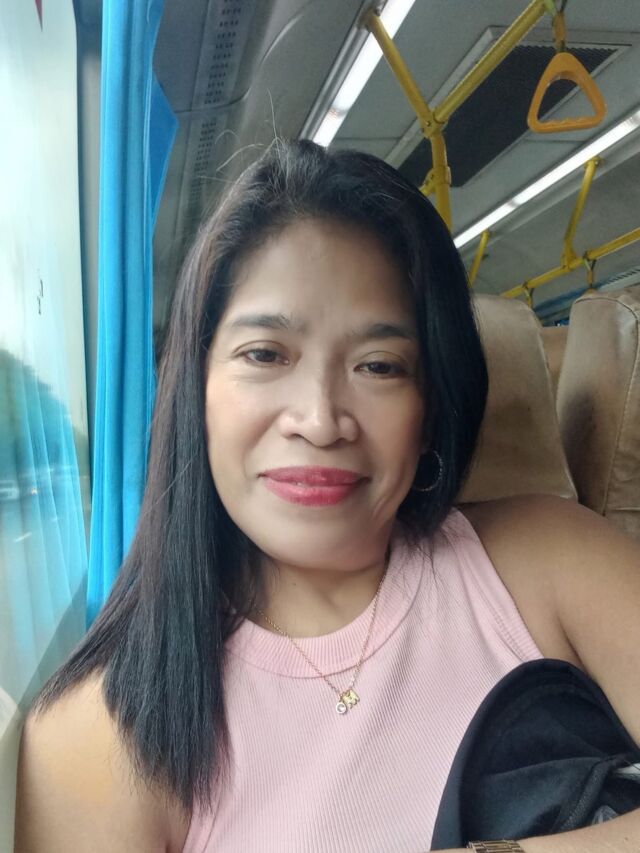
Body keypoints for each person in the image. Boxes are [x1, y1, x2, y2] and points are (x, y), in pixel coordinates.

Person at [14, 140, 640, 853]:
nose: (319, 419)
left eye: (379, 365)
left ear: (431, 407)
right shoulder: (97, 735)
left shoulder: (555, 560)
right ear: (196, 391)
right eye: (265, 354)